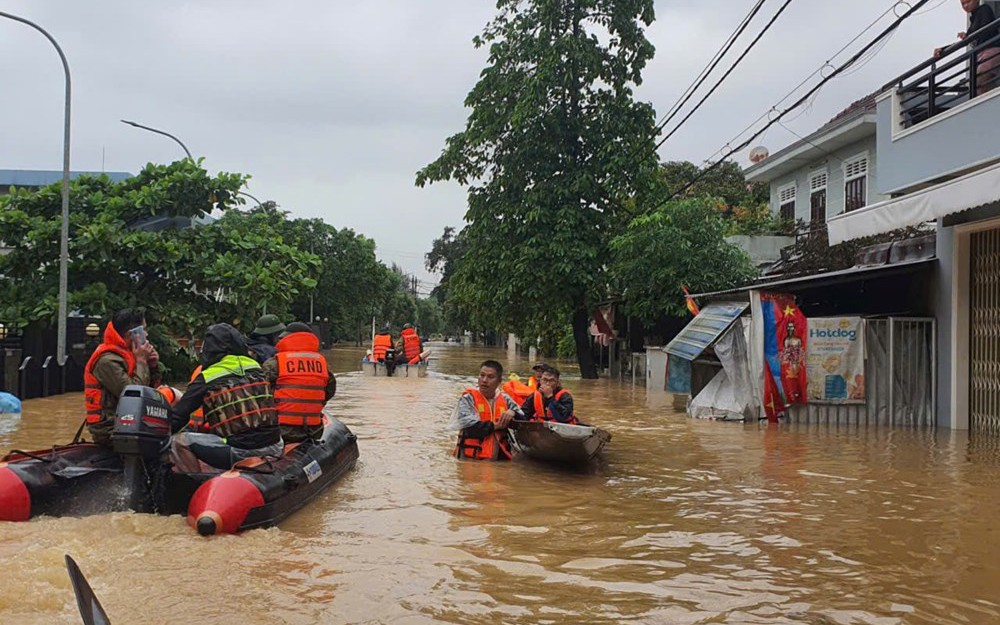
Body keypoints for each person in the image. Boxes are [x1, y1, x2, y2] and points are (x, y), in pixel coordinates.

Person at [168, 323, 282, 472]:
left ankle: (195, 484)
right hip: (276, 445)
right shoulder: (256, 366)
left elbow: (179, 416)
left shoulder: (207, 377)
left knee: (178, 441)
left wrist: (160, 435)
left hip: (240, 452)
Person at [84, 308, 161, 446]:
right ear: (131, 334)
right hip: (110, 428)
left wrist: (153, 366)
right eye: (144, 330)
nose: (147, 334)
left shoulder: (131, 354)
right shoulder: (107, 361)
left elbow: (152, 393)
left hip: (130, 421)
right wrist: (142, 361)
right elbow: (134, 396)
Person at [263, 322, 337, 443]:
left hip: (281, 430)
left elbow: (261, 394)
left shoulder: (275, 363)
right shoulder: (322, 363)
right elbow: (329, 391)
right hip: (314, 430)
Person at [452, 360, 521, 461]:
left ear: (499, 381)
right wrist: (495, 426)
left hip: (498, 463)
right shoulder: (468, 399)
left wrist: (513, 413)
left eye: (490, 377)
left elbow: (523, 420)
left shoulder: (506, 400)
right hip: (470, 460)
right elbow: (467, 425)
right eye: (482, 375)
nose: (484, 380)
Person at [935, 0, 1000, 94]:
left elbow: (984, 28)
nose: (965, 6)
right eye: (963, 4)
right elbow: (967, 39)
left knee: (981, 80)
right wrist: (943, 48)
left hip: (992, 50)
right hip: (984, 53)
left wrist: (968, 35)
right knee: (982, 83)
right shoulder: (974, 17)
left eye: (968, 2)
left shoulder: (984, 9)